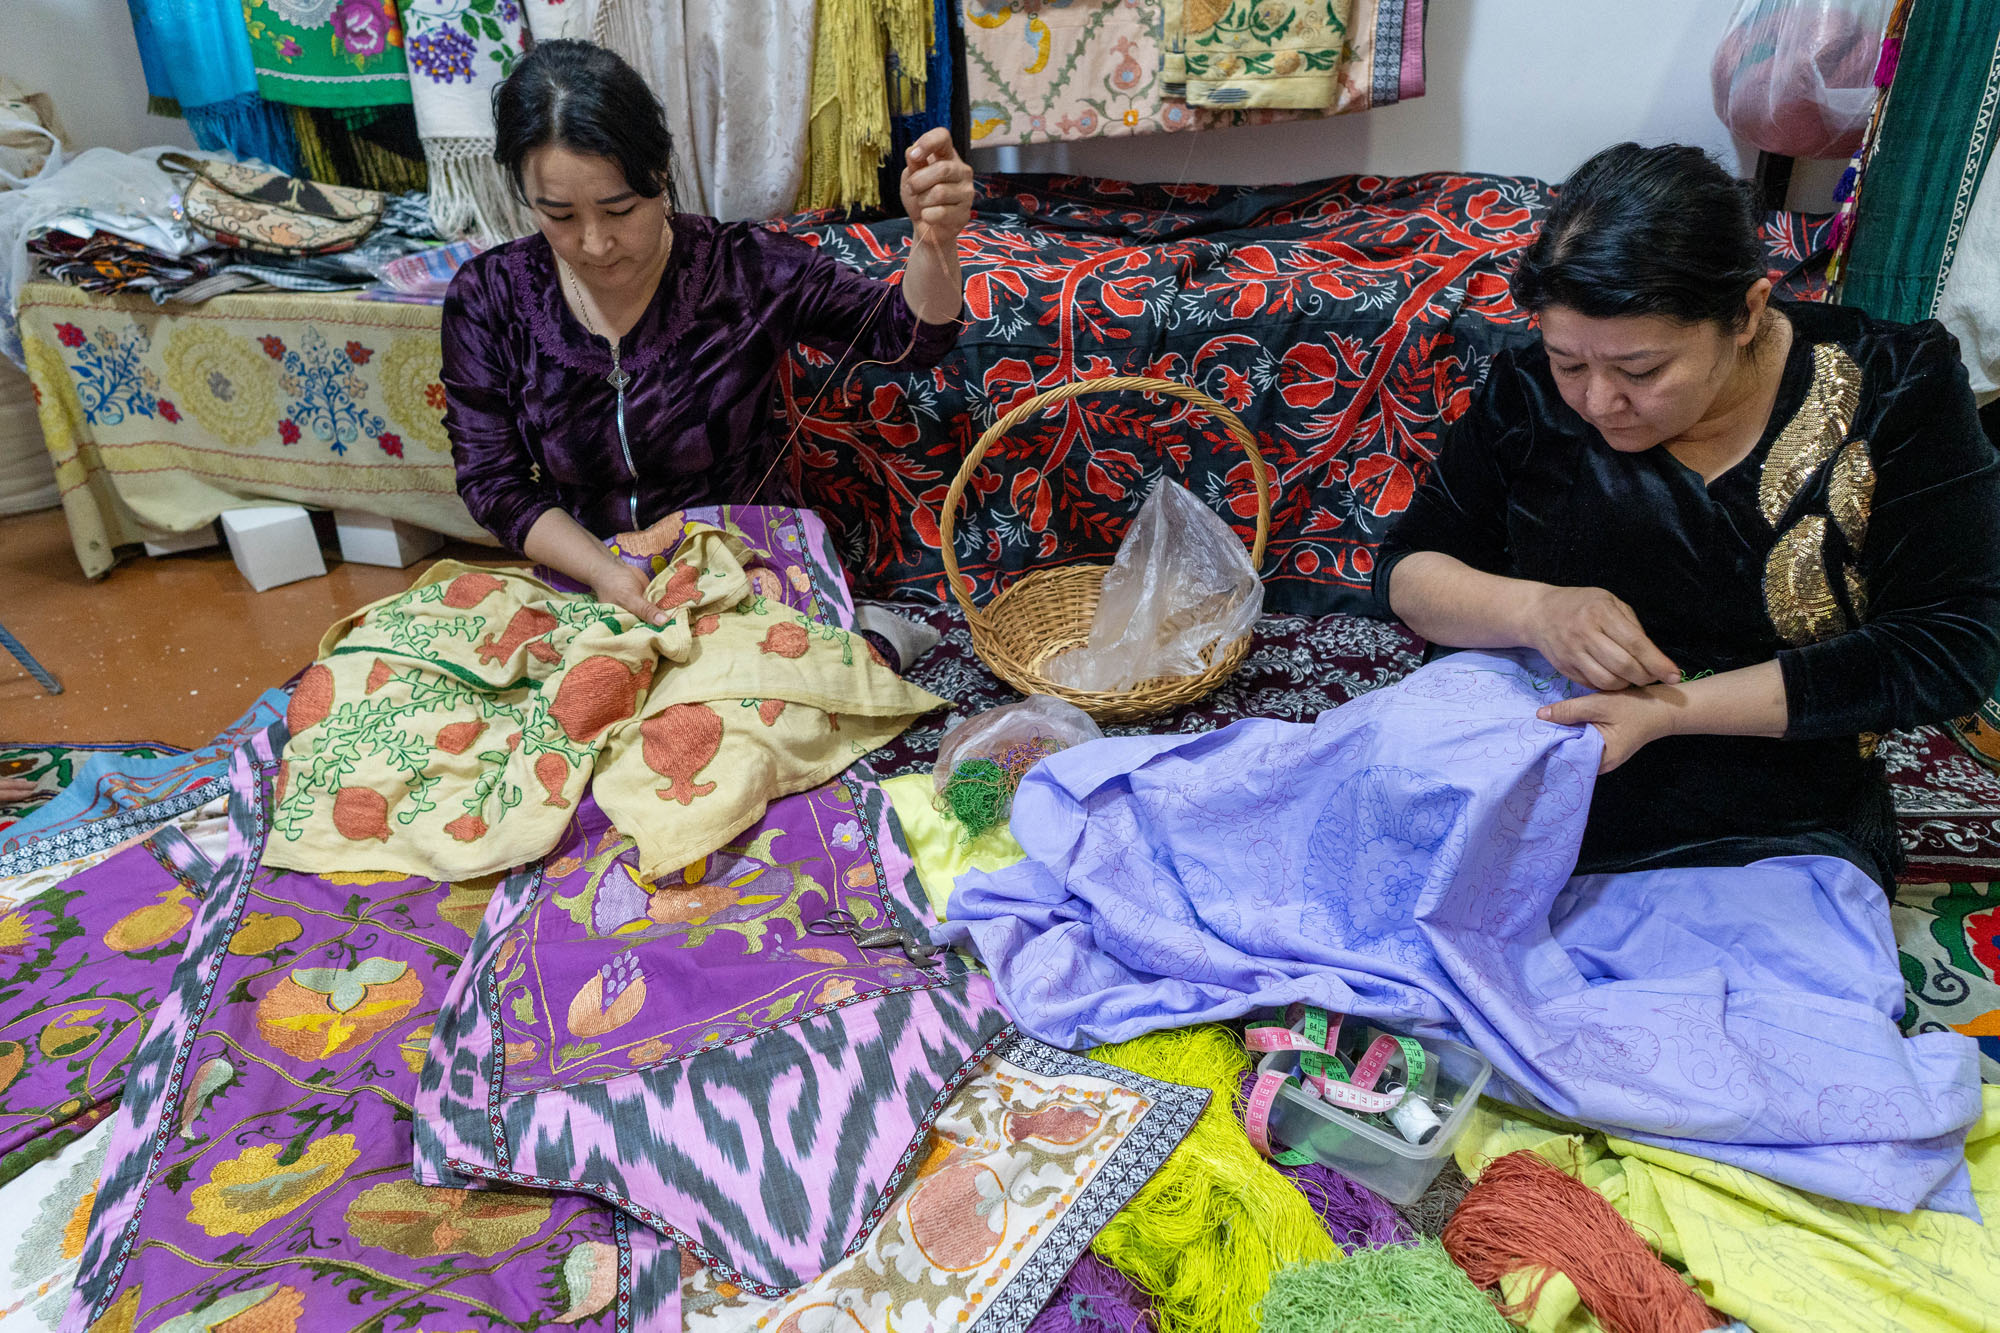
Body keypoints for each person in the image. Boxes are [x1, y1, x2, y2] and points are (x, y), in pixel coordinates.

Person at [1374, 141, 2000, 889]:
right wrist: (1535, 610)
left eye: (1641, 370)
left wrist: (1671, 711)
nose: (1599, 400)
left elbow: (1950, 647)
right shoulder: (1532, 391)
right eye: (1570, 362)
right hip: (1538, 770)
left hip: (1773, 807)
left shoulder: (1894, 390)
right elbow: (1409, 570)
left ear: (1747, 312)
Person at [442, 40, 972, 627]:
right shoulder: (489, 297)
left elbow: (910, 337)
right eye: (559, 216)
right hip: (587, 576)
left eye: (619, 209)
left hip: (749, 569)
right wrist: (602, 571)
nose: (595, 243)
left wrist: (936, 238)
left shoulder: (745, 269)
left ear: (660, 173)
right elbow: (493, 482)